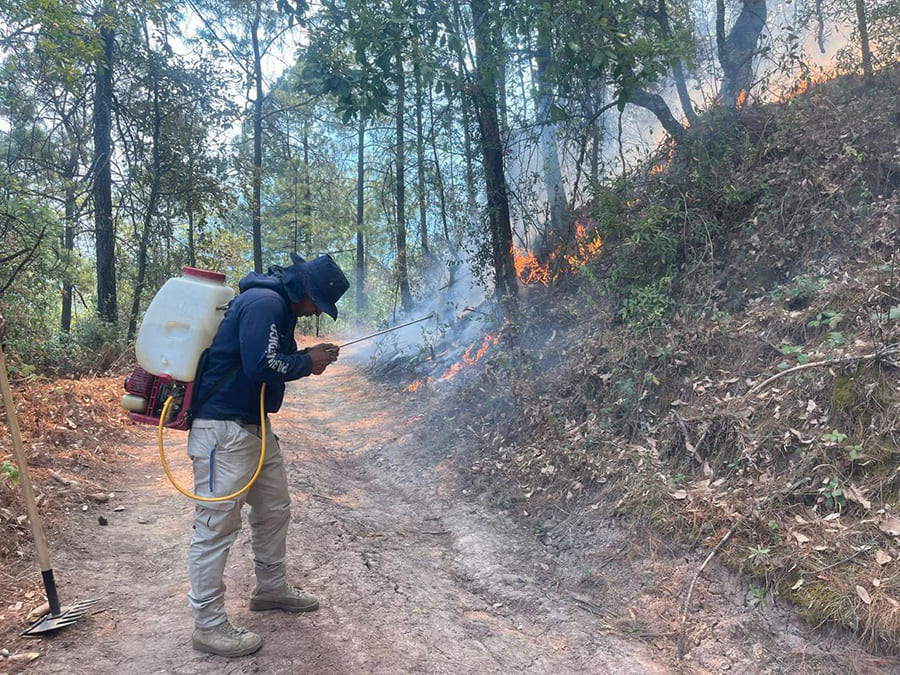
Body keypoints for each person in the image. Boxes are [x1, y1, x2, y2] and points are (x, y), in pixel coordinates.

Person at [186, 253, 349, 657]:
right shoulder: (265, 303)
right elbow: (261, 365)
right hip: (224, 431)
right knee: (216, 527)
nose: (316, 312)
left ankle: (271, 588)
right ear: (304, 289)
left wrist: (308, 357)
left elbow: (270, 356)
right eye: (317, 304)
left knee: (274, 508)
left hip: (254, 425)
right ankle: (208, 625)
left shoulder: (279, 307)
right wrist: (307, 362)